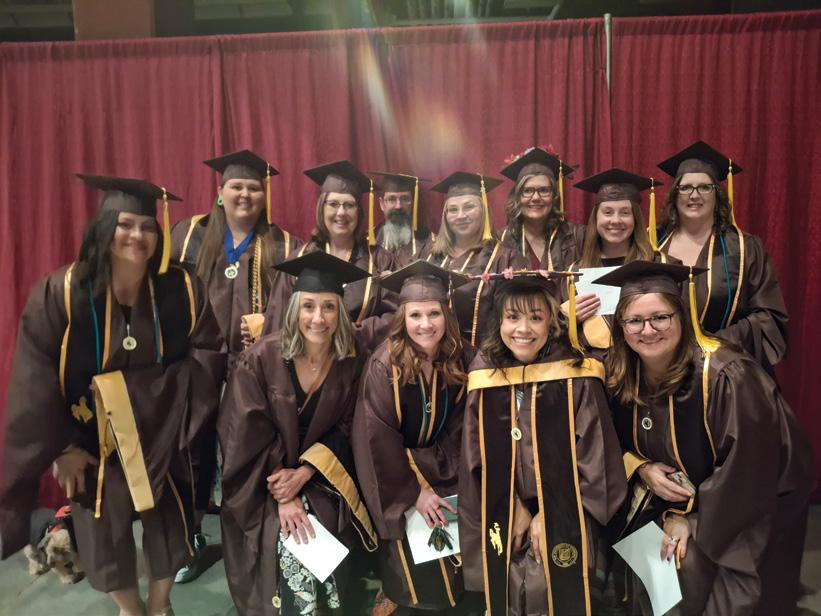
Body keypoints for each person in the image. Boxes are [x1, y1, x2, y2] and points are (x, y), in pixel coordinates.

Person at [0, 175, 225, 616]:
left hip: (163, 433)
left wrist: (181, 417)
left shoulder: (181, 288)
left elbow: (209, 350)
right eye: (125, 224)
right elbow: (35, 378)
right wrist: (62, 448)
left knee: (171, 524)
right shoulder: (63, 292)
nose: (137, 235)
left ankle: (159, 606)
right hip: (90, 441)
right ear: (104, 228)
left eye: (147, 227)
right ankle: (130, 609)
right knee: (102, 533)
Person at [596, 261, 814, 616]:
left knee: (688, 567)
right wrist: (642, 467)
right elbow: (610, 442)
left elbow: (750, 471)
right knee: (649, 558)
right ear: (621, 327)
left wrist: (690, 519)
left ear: (682, 317)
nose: (647, 330)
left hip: (747, 508)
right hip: (675, 502)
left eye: (660, 317)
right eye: (634, 321)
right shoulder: (623, 376)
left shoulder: (726, 376)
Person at [219, 251, 380, 616]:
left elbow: (351, 425)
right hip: (262, 479)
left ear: (340, 312)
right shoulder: (261, 359)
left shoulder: (351, 359)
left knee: (319, 520)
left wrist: (306, 472)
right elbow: (245, 433)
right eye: (308, 306)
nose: (318, 318)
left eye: (328, 307)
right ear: (294, 309)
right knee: (289, 531)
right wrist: (285, 492)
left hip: (325, 475)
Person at [459, 271, 627, 615]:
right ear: (499, 322)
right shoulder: (484, 374)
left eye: (536, 317)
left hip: (570, 514)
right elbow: (474, 458)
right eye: (512, 317)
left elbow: (598, 461)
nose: (523, 329)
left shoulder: (577, 373)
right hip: (505, 513)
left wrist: (549, 514)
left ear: (552, 322)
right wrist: (512, 506)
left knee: (553, 592)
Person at [170, 149, 303, 583]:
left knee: (247, 450)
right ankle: (189, 538)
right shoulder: (188, 236)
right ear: (220, 191)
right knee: (191, 449)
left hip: (252, 366)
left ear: (264, 195)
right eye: (236, 186)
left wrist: (268, 334)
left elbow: (293, 309)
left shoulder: (282, 245)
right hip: (197, 362)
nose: (245, 194)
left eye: (253, 188)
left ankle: (253, 541)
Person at [353, 261, 479, 615]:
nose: (426, 324)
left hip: (447, 467)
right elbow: (375, 438)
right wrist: (415, 493)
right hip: (400, 476)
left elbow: (469, 422)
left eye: (434, 313)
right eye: (415, 315)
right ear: (402, 318)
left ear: (447, 315)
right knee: (418, 577)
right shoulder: (385, 365)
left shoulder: (463, 356)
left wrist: (448, 470)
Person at [655, 141, 788, 373]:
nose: (694, 195)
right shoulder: (652, 243)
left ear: (717, 194)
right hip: (659, 370)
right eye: (685, 188)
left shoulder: (745, 248)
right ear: (675, 194)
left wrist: (709, 346)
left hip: (723, 370)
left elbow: (769, 318)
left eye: (704, 187)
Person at [264, 160, 397, 339]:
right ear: (321, 208)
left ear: (359, 211)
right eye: (333, 204)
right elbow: (278, 323)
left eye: (349, 205)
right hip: (306, 354)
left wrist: (353, 333)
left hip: (363, 354)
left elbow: (396, 316)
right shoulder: (299, 261)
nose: (341, 213)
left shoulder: (381, 261)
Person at [420, 171, 527, 347]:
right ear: (445, 216)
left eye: (469, 207)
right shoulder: (429, 255)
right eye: (453, 209)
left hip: (485, 357)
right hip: (434, 357)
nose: (460, 215)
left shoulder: (506, 259)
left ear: (484, 210)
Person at [563, 168, 659, 351]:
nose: (616, 220)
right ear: (596, 218)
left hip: (647, 359)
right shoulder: (575, 272)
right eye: (607, 212)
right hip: (592, 365)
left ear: (636, 219)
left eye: (625, 213)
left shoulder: (656, 264)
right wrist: (567, 318)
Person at [498, 146, 585, 272]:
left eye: (544, 190)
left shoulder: (577, 237)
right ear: (517, 197)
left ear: (554, 196)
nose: (536, 198)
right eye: (527, 191)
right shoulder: (500, 241)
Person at [371, 171, 435, 267]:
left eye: (405, 199)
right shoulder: (367, 242)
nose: (398, 206)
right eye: (391, 199)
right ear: (381, 204)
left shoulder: (430, 243)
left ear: (413, 202)